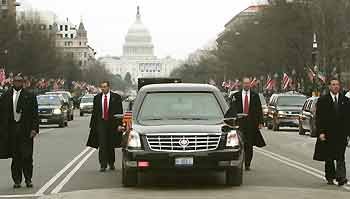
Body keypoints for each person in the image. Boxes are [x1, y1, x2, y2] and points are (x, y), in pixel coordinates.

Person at [1, 74, 39, 188]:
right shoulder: (6, 95)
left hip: (26, 130)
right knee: (15, 157)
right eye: (16, 81)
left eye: (20, 81)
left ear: (23, 83)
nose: (18, 83)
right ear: (13, 82)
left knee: (27, 156)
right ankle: (17, 180)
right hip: (12, 130)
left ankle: (28, 179)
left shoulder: (30, 96)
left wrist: (34, 129)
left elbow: (35, 114)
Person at [313, 78, 349, 186]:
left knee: (340, 156)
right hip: (328, 133)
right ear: (329, 87)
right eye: (333, 85)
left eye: (337, 84)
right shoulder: (323, 100)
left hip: (341, 134)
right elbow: (318, 118)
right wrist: (320, 132)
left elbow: (348, 118)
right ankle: (330, 176)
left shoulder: (345, 100)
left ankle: (341, 177)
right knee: (329, 157)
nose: (335, 86)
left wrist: (348, 134)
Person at [225, 77, 266, 171]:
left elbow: (259, 109)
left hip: (251, 124)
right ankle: (236, 162)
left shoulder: (255, 96)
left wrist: (260, 122)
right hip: (239, 123)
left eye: (248, 83)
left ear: (250, 85)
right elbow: (232, 109)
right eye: (245, 83)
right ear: (242, 84)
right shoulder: (236, 96)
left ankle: (247, 164)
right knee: (237, 143)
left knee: (249, 145)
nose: (247, 85)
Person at [87, 80, 124, 172]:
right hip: (101, 123)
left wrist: (120, 124)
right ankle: (103, 165)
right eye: (102, 87)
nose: (103, 88)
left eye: (104, 87)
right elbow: (95, 113)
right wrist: (93, 125)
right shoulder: (97, 98)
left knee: (111, 144)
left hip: (112, 124)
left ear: (108, 87)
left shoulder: (116, 97)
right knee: (102, 144)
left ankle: (111, 163)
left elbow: (120, 112)